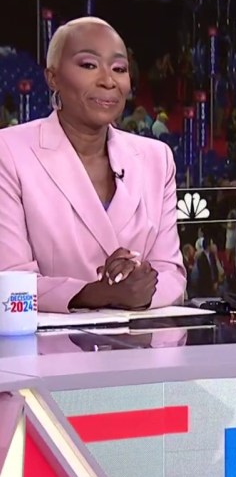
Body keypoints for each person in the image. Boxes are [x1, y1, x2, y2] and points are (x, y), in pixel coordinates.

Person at [0, 17, 186, 312]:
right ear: (53, 77)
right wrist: (99, 294)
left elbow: (171, 275)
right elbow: (9, 281)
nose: (108, 81)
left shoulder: (157, 159)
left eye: (119, 69)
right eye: (89, 65)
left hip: (139, 339)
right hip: (44, 341)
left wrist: (141, 288)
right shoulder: (9, 151)